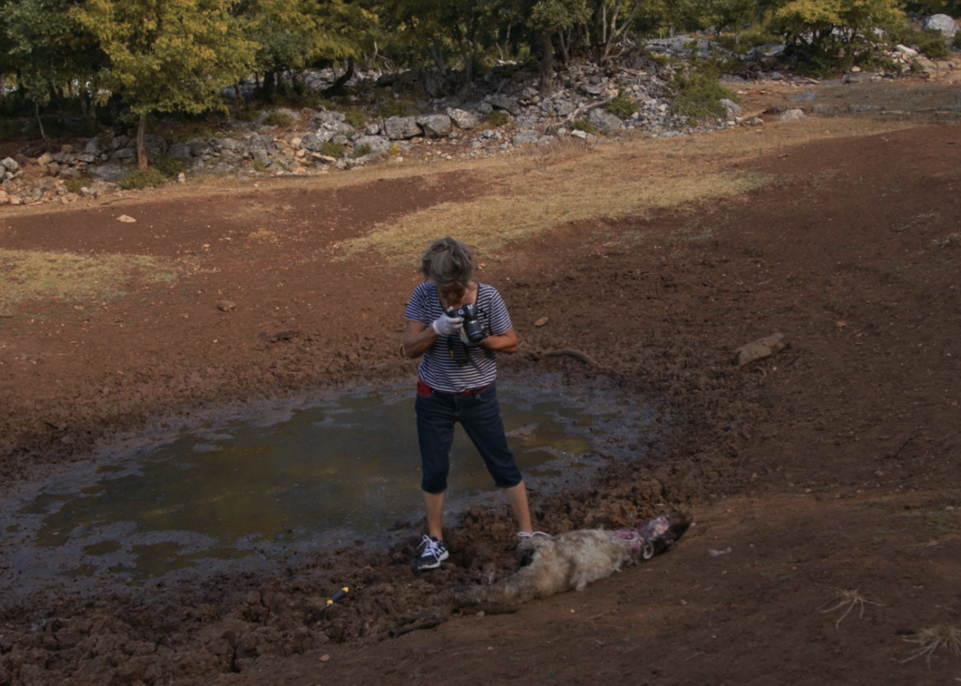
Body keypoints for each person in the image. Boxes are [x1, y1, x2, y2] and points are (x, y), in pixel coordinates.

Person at [403, 237, 534, 570]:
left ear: (466, 279)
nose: (450, 299)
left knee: (502, 462)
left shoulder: (488, 296)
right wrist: (436, 328)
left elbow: (512, 343)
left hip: (479, 396)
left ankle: (528, 535)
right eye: (444, 292)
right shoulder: (422, 295)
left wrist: (481, 338)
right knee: (434, 470)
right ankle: (435, 541)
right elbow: (409, 348)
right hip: (434, 398)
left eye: (457, 292)